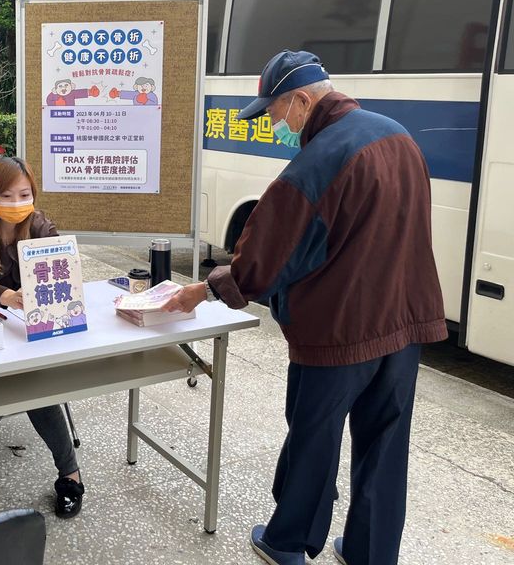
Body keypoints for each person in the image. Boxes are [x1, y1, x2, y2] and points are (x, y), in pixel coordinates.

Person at [164, 50, 447, 565]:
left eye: (274, 114)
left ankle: (287, 542)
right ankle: (370, 552)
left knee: (313, 438)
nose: (275, 125)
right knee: (385, 447)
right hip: (405, 324)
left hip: (340, 331)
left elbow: (265, 259)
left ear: (300, 100)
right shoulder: (397, 135)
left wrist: (202, 290)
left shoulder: (320, 159)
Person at [0, 156, 85, 518]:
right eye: (7, 196)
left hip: (36, 330)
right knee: (11, 387)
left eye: (24, 194)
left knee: (30, 386)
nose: (16, 204)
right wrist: (7, 296)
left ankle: (68, 473)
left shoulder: (42, 225)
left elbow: (62, 266)